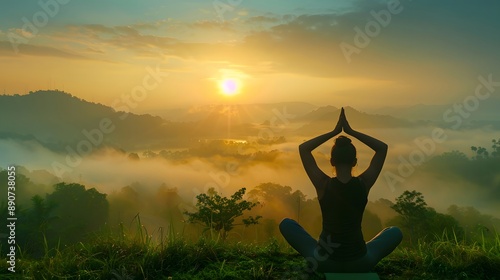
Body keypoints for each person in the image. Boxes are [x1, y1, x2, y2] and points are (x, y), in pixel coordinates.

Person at [279, 107, 402, 273]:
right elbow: (382, 148)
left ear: (331, 161)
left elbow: (304, 149)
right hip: (360, 262)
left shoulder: (323, 184)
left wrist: (334, 131)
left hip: (323, 261)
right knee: (394, 232)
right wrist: (351, 131)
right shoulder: (364, 183)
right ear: (354, 161)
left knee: (286, 224)